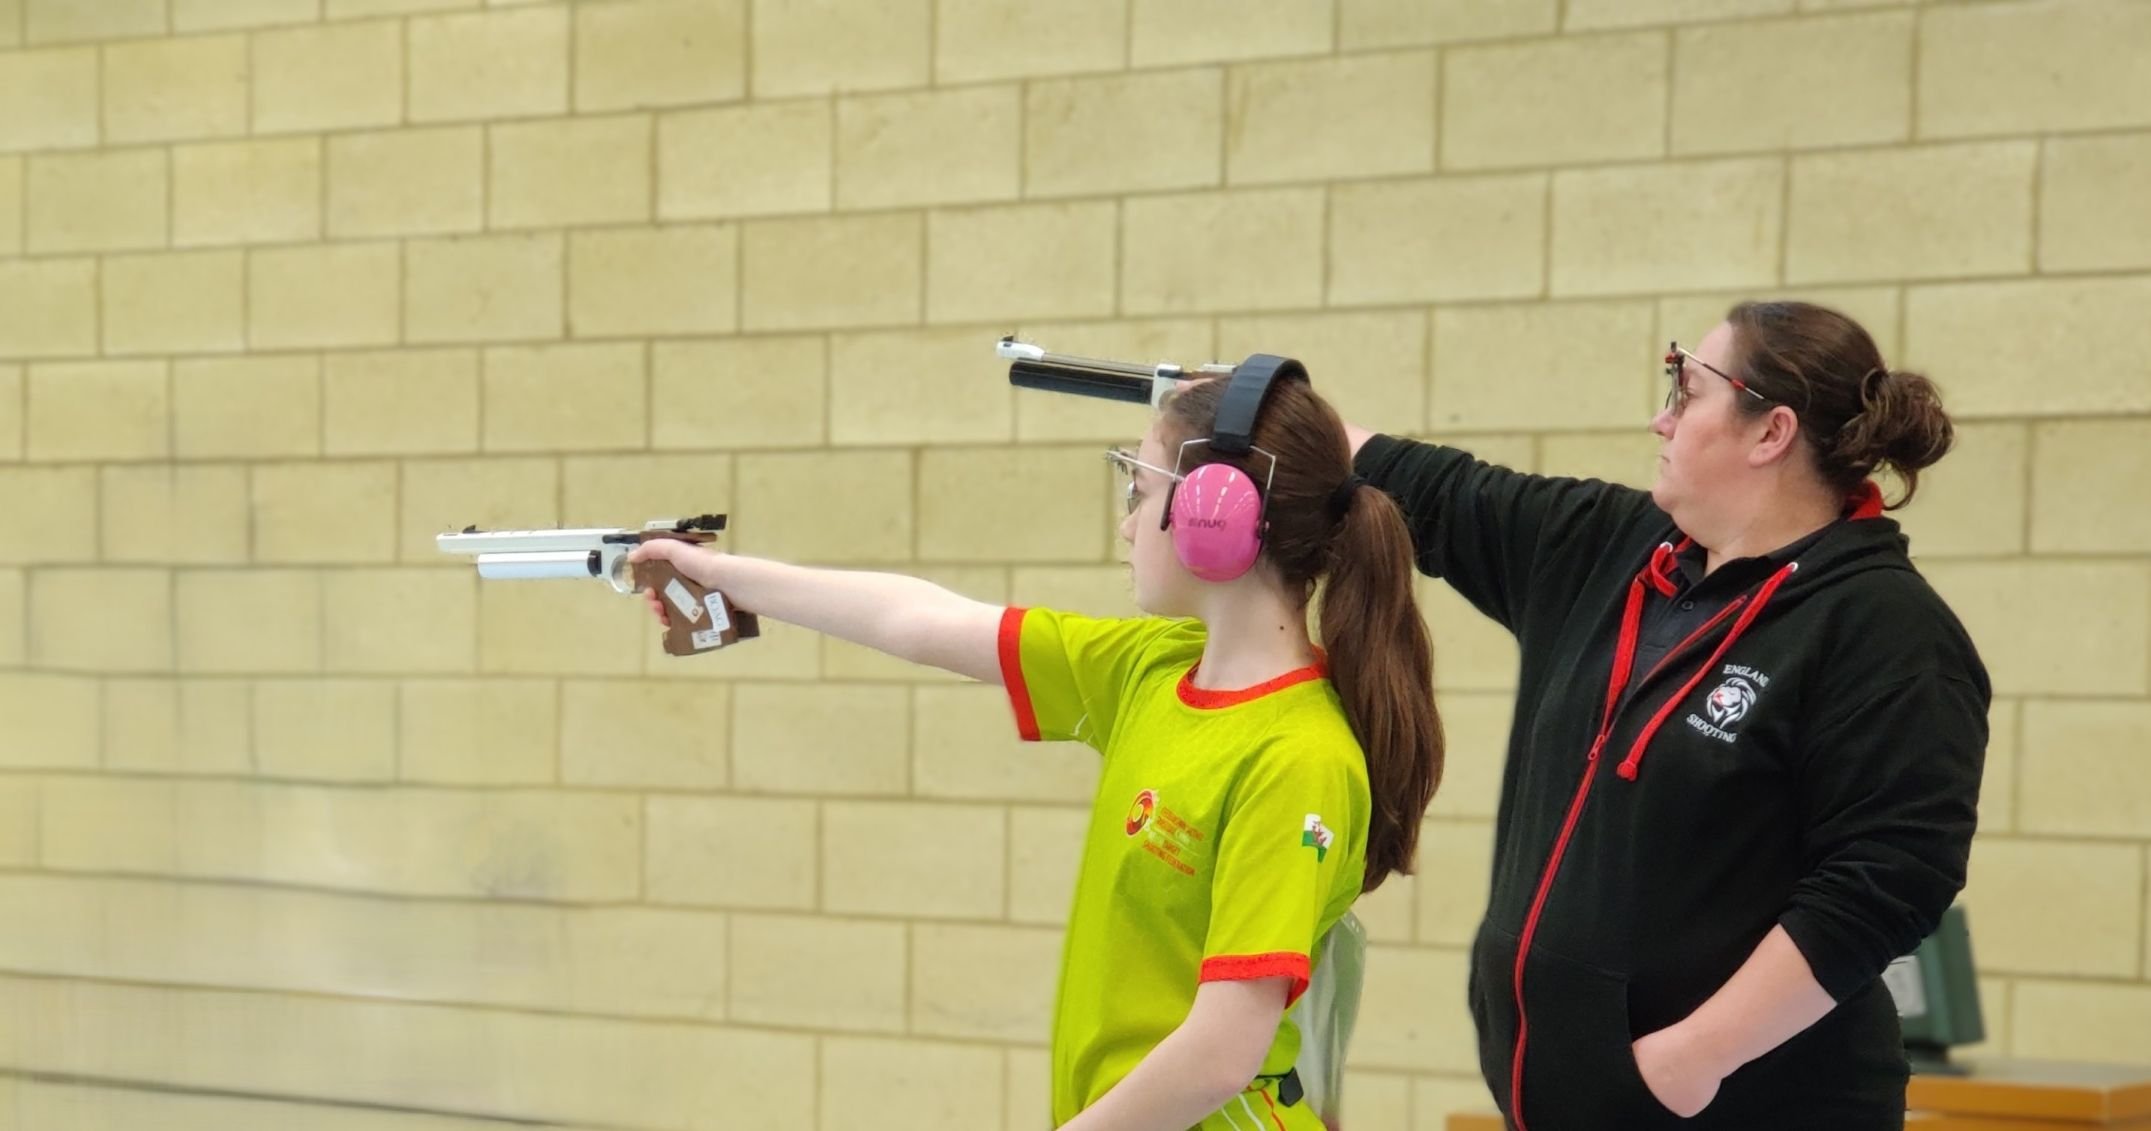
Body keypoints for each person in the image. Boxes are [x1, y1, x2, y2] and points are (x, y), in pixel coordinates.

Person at [630, 358, 1445, 1130]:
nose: (1127, 525)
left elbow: (1221, 1052)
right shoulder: (1151, 670)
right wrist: (725, 576)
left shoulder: (1296, 755)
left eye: (1141, 490)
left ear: (1215, 513)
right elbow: (917, 620)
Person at [1341, 299, 1990, 1130]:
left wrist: (1692, 1058)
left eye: (1685, 390)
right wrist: (1257, 407)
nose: (1661, 417)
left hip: (1742, 1104)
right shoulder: (1607, 546)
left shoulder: (1885, 629)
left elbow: (1887, 883)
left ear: (1770, 431)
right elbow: (1429, 486)